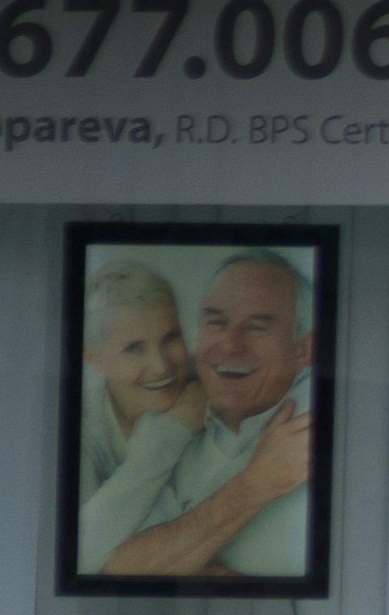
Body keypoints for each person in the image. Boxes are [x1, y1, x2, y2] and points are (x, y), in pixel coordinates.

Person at [90, 248, 321, 584]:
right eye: (215, 322)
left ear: (303, 350)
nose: (229, 343)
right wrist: (256, 485)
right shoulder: (178, 430)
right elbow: (120, 568)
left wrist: (193, 560)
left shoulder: (320, 416)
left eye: (257, 326)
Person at [71, 258, 209, 578]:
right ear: (95, 360)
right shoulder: (78, 427)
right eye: (134, 348)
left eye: (171, 338)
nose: (161, 366)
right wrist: (170, 432)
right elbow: (82, 552)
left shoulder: (214, 390)